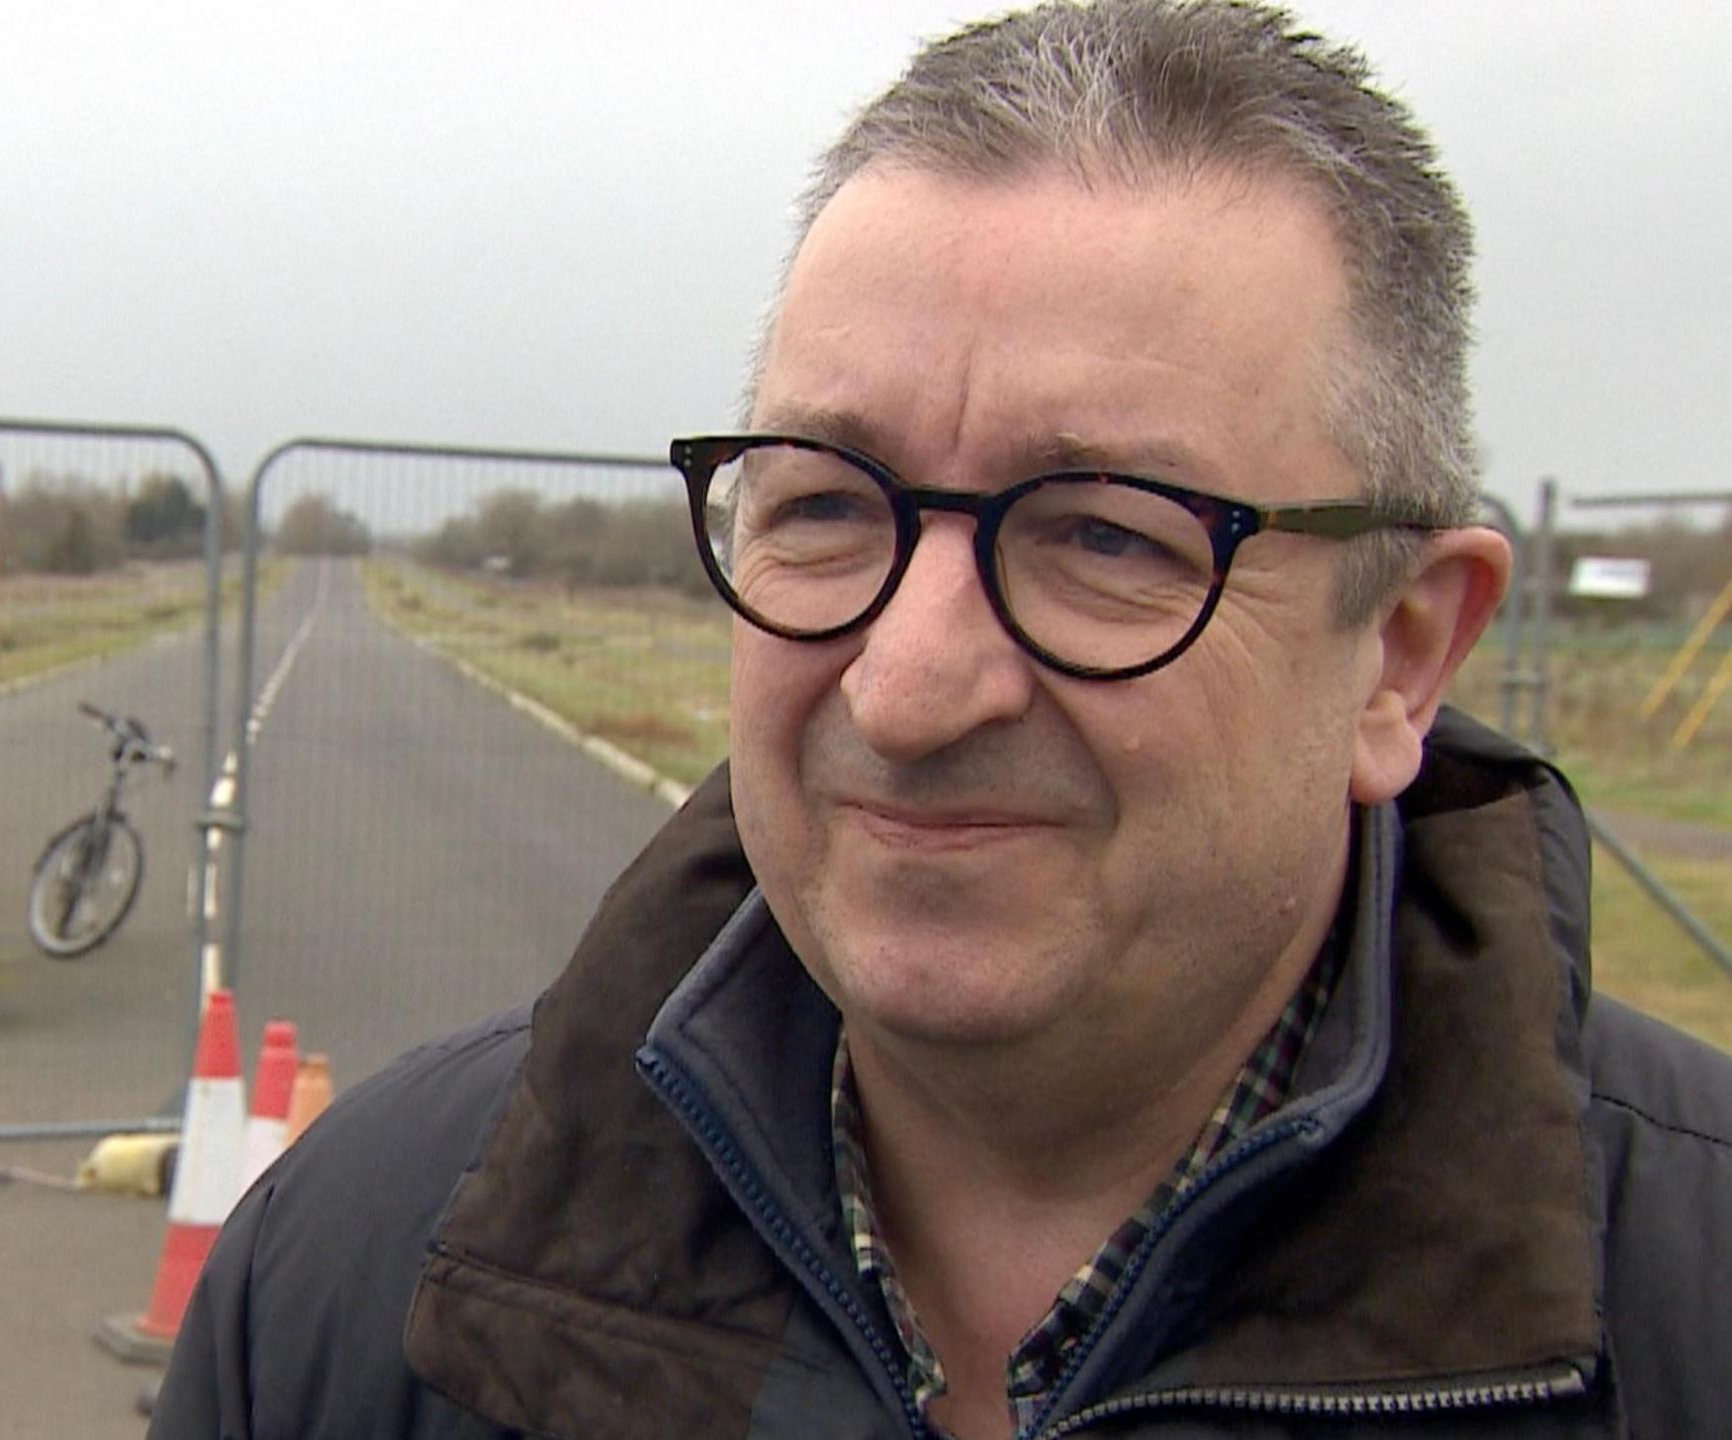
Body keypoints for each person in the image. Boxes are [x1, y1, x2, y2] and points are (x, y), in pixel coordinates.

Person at [151, 2, 1732, 1435]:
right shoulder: (359, 1282)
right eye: (831, 506)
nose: (906, 687)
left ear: (1397, 654)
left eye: (1107, 535)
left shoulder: (1687, 1308)